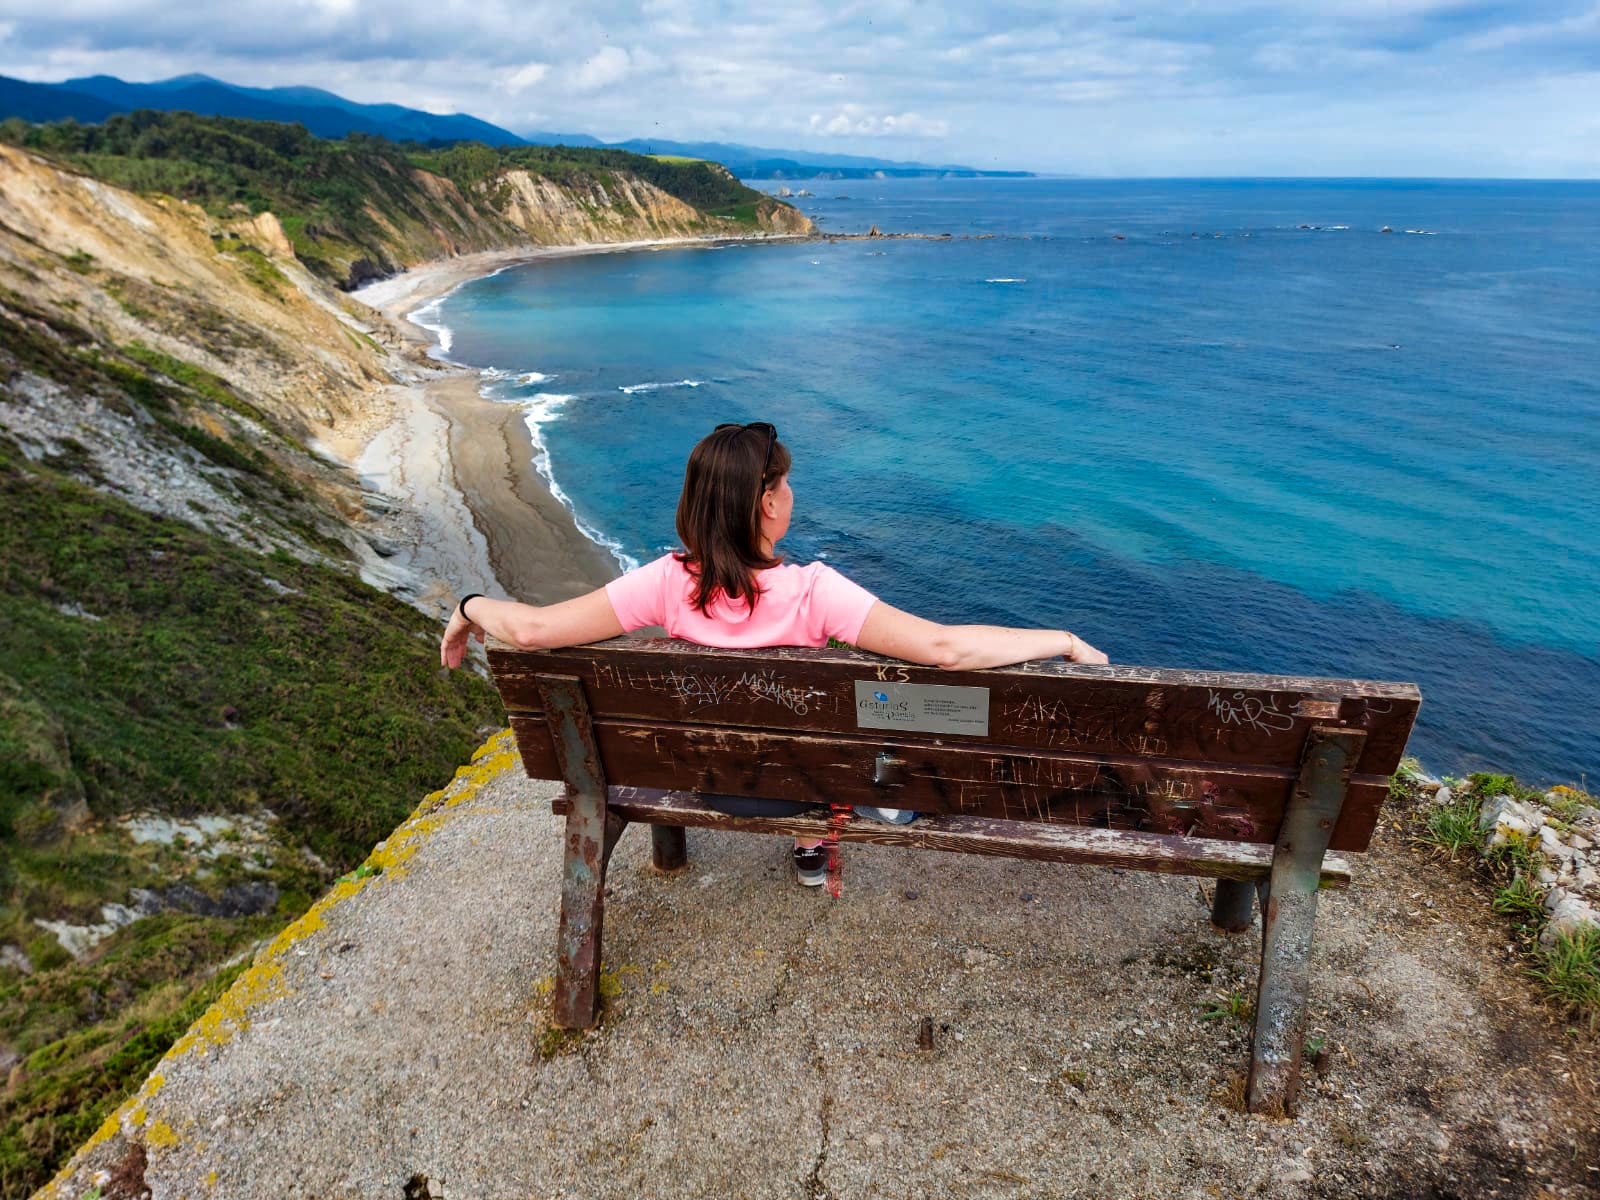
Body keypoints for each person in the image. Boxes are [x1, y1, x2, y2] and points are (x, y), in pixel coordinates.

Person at [440, 421, 1107, 885]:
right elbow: (945, 648)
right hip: (806, 786)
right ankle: (811, 845)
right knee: (846, 728)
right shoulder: (816, 592)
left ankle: (809, 834)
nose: (792, 495)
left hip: (703, 783)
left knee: (774, 725)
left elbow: (530, 631)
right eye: (785, 487)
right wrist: (1064, 639)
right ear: (766, 504)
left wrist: (470, 607)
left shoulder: (665, 583)